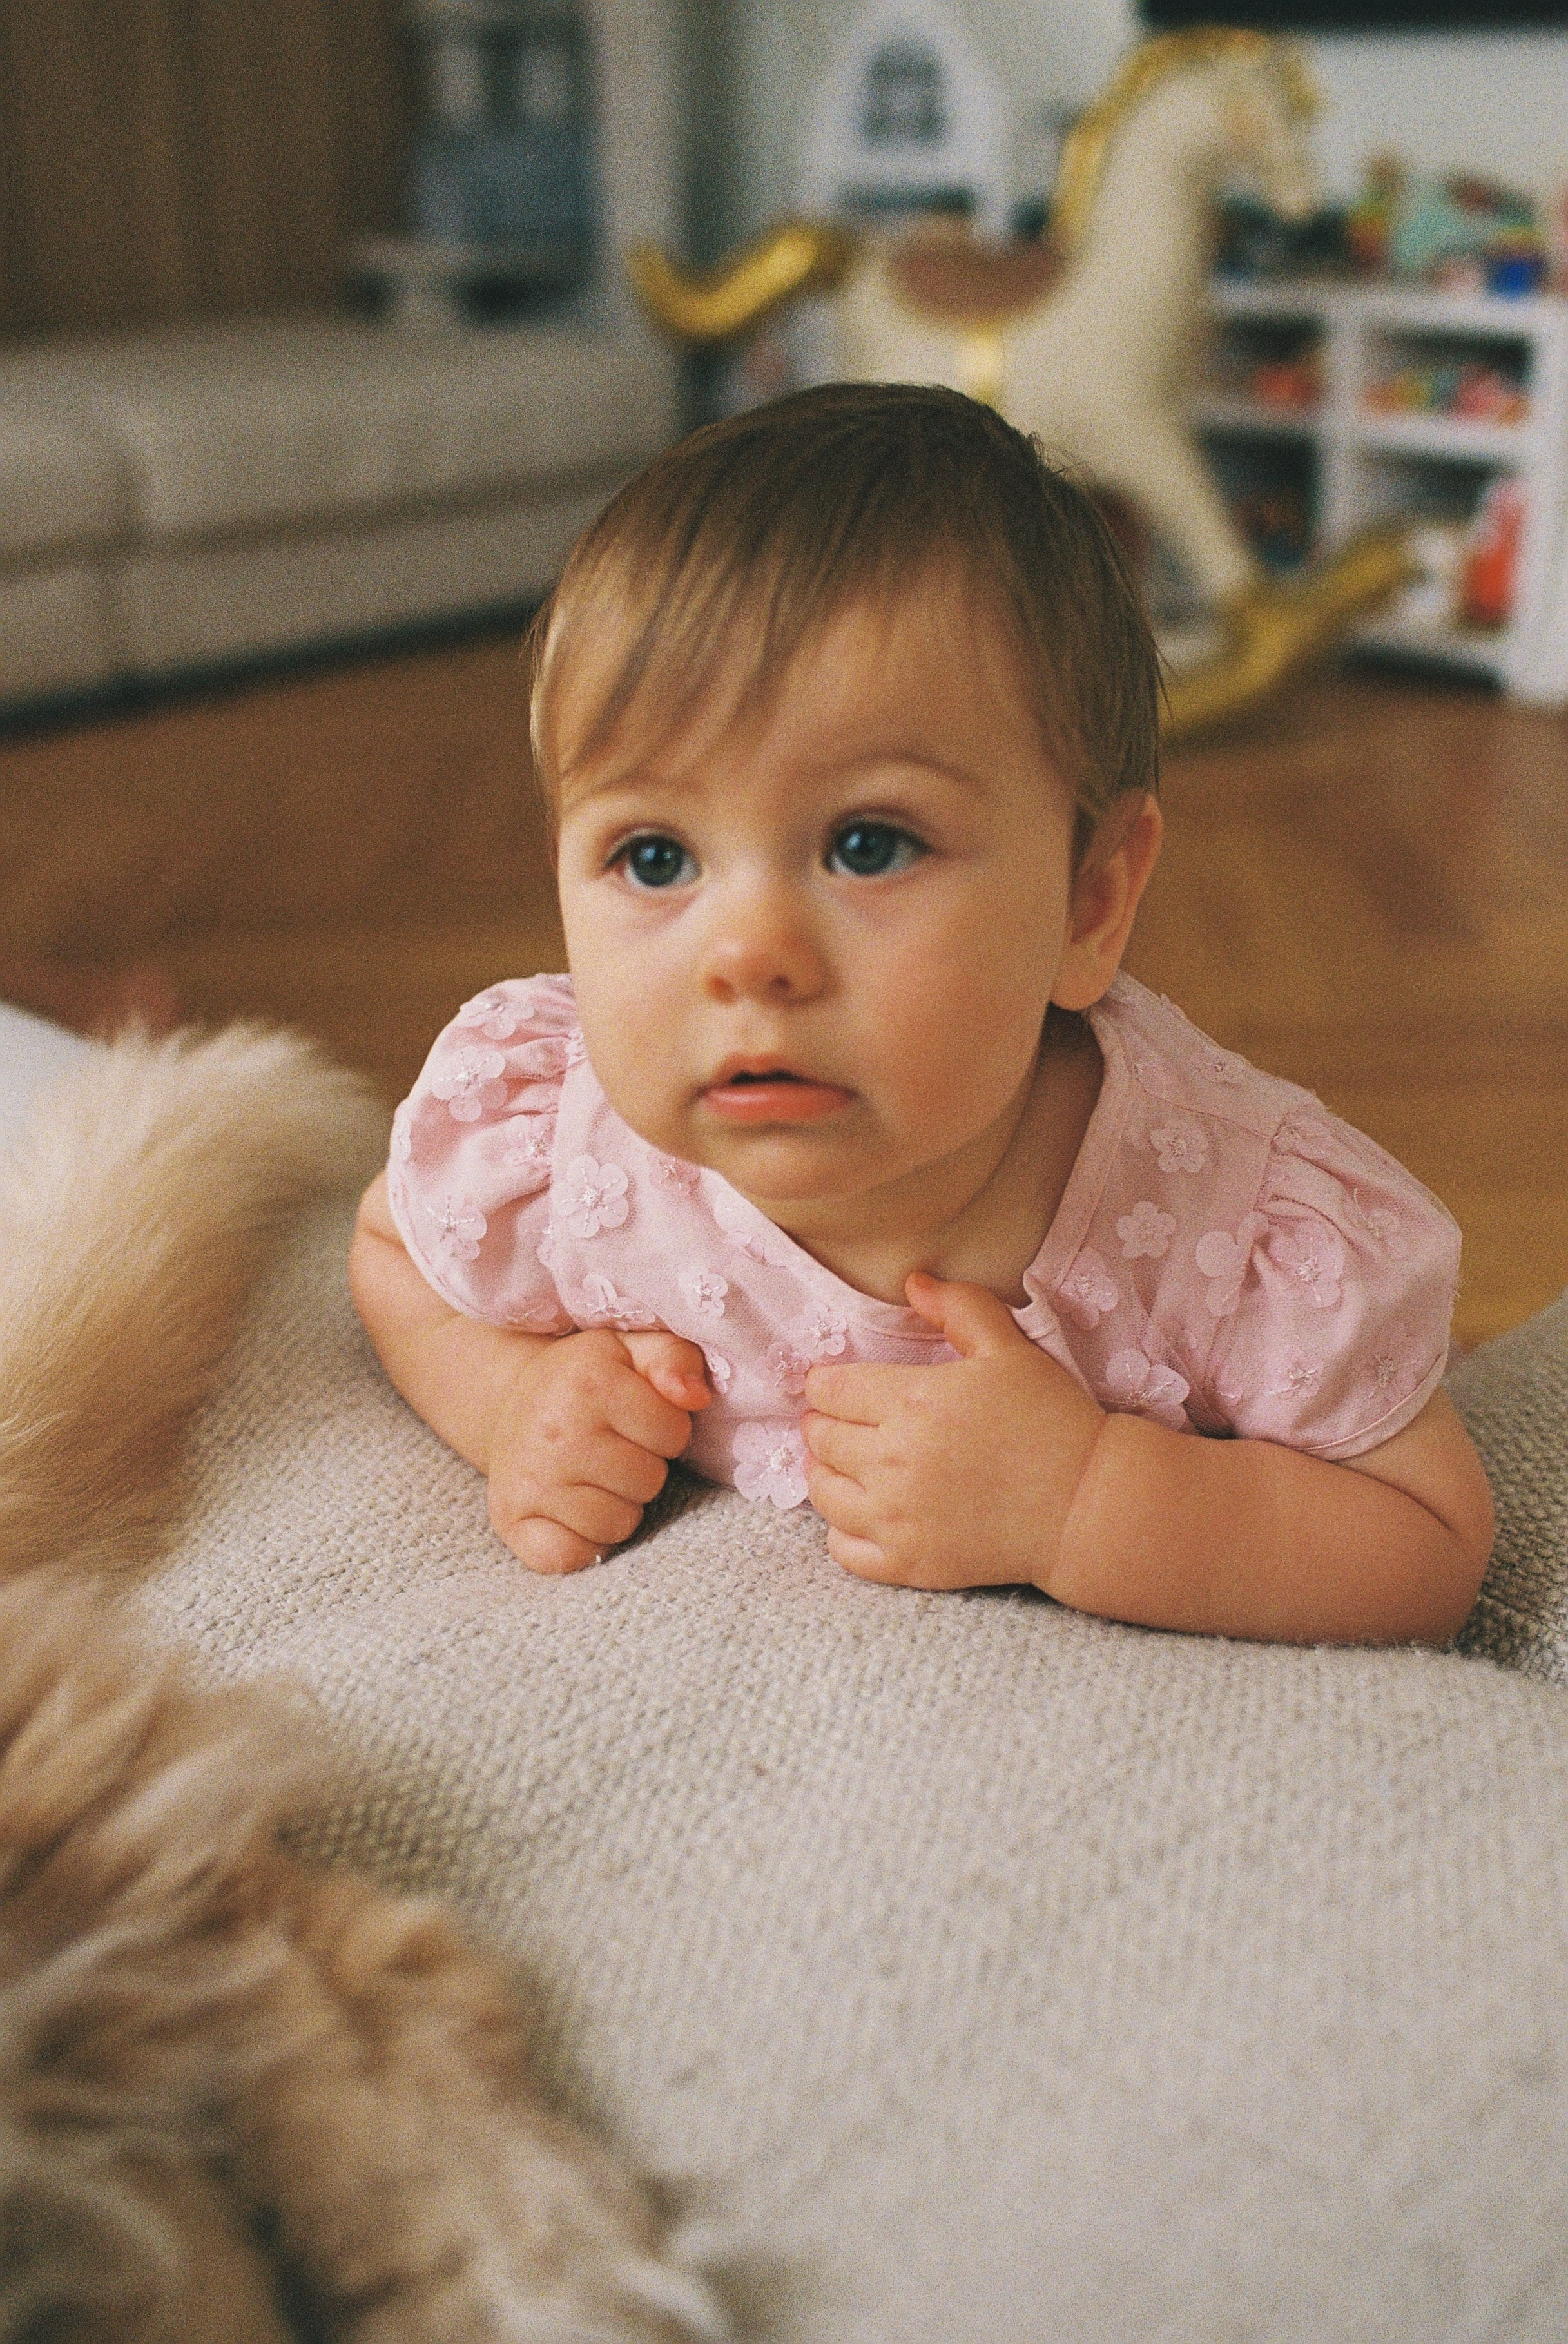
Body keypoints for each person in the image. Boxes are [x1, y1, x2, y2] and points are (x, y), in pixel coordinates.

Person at [349, 383, 1493, 1644]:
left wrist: (1086, 1499)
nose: (747, 956)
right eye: (655, 857)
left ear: (1088, 900)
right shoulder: (567, 1147)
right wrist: (509, 1400)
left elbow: (1423, 1537)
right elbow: (393, 1255)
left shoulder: (1221, 1226)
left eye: (866, 842)